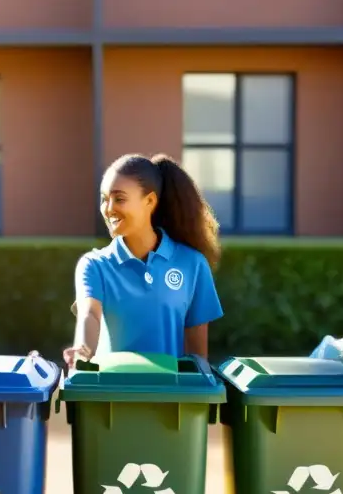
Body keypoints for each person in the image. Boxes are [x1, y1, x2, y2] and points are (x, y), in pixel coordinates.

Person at [64, 153, 223, 365]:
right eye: (104, 199)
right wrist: (82, 351)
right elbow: (90, 313)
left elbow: (197, 356)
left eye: (119, 198)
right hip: (108, 394)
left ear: (149, 201)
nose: (108, 209)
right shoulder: (94, 265)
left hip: (171, 395)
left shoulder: (192, 264)